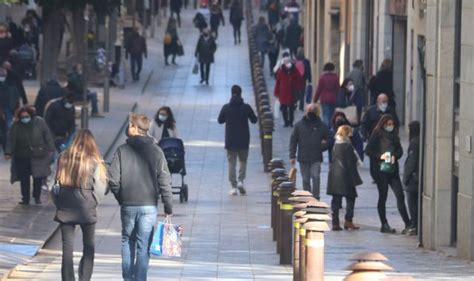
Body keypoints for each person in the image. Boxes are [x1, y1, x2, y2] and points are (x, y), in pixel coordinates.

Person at [108, 113, 173, 281]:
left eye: (129, 125)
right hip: (149, 206)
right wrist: (168, 206)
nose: (127, 128)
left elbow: (113, 179)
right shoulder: (157, 151)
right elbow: (165, 180)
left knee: (127, 241)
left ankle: (128, 278)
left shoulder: (122, 150)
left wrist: (121, 197)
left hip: (128, 205)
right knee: (143, 246)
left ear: (136, 128)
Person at [53, 129, 107, 281]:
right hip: (86, 207)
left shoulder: (63, 158)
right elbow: (100, 187)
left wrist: (58, 203)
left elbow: (54, 184)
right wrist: (94, 203)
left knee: (67, 248)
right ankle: (84, 277)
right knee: (89, 246)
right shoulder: (95, 161)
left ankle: (67, 278)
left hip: (66, 206)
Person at [365, 114, 410, 234]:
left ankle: (408, 223)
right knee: (383, 196)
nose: (390, 126)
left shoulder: (394, 135)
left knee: (400, 195)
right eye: (388, 124)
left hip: (393, 169)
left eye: (392, 124)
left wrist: (396, 156)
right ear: (383, 124)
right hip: (381, 170)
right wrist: (380, 156)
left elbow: (399, 149)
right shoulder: (377, 134)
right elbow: (368, 150)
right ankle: (384, 224)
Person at [5, 106, 55, 205]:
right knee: (24, 178)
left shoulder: (39, 122)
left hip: (37, 154)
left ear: (31, 115)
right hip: (21, 156)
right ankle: (25, 198)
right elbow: (11, 140)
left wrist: (51, 148)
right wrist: (8, 152)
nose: (25, 119)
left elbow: (47, 135)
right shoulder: (16, 126)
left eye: (26, 116)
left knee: (38, 176)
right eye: (22, 117)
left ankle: (37, 196)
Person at [218, 85, 258, 195]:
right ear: (241, 93)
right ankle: (241, 180)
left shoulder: (226, 107)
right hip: (244, 139)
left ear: (231, 93)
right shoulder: (246, 107)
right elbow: (254, 120)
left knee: (232, 162)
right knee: (243, 161)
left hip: (230, 139)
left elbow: (220, 120)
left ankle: (233, 186)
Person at [290, 104, 329, 199]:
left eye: (312, 110)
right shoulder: (299, 125)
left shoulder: (321, 125)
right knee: (305, 179)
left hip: (316, 156)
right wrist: (292, 155)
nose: (310, 112)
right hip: (303, 157)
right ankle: (308, 198)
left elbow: (329, 139)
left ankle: (316, 197)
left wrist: (322, 146)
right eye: (309, 110)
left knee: (315, 177)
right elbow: (293, 140)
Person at [327, 125, 363, 231]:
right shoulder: (347, 145)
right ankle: (348, 221)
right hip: (347, 177)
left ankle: (335, 223)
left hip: (334, 177)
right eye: (350, 133)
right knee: (351, 198)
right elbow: (352, 163)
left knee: (336, 201)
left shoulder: (335, 144)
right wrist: (355, 179)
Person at [274, 57, 303, 127]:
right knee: (284, 108)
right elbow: (278, 82)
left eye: (288, 62)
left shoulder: (295, 71)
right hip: (283, 93)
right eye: (286, 63)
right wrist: (276, 92)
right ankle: (285, 122)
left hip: (292, 93)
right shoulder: (281, 71)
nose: (287, 64)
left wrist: (299, 89)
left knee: (291, 109)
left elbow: (299, 81)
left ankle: (291, 121)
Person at [403, 121, 420, 236]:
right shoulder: (420, 140)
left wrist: (405, 178)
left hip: (413, 179)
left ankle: (414, 226)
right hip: (417, 177)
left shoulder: (414, 142)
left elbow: (411, 162)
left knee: (412, 203)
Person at [313, 62, 340, 128]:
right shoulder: (336, 77)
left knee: (325, 114)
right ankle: (330, 128)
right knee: (331, 115)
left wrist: (315, 100)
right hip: (333, 99)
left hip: (324, 99)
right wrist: (337, 97)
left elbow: (319, 89)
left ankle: (325, 129)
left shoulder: (322, 78)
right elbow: (338, 89)